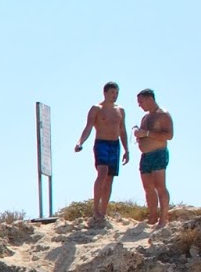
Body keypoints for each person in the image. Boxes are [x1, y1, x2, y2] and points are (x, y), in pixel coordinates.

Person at [72, 82, 130, 223]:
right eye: (112, 92)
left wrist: (127, 149)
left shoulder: (120, 110)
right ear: (105, 93)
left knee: (110, 178)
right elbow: (88, 127)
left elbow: (122, 130)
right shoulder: (96, 109)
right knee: (102, 173)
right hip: (101, 143)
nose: (114, 95)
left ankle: (103, 211)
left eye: (116, 93)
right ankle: (95, 209)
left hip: (115, 145)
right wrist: (80, 142)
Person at [133, 88, 174, 227]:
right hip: (145, 156)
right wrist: (139, 136)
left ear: (150, 99)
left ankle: (163, 218)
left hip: (158, 153)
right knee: (148, 187)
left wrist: (146, 133)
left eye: (141, 101)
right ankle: (152, 217)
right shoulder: (145, 117)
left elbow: (168, 135)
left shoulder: (163, 115)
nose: (139, 105)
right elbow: (144, 134)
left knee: (160, 186)